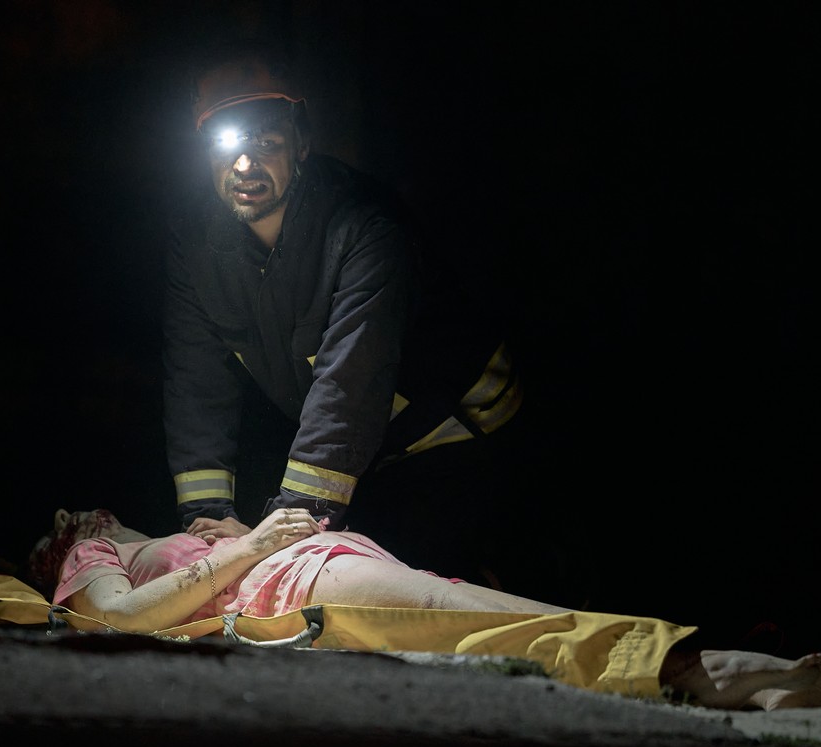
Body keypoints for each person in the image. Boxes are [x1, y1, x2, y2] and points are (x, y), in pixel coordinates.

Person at [159, 39, 552, 589]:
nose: (245, 165)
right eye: (227, 147)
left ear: (301, 145)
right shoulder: (196, 243)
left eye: (266, 142)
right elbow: (195, 376)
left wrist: (296, 515)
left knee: (420, 578)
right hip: (364, 443)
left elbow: (351, 373)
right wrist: (205, 517)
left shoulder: (364, 227)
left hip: (458, 426)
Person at [26, 506, 821, 711]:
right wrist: (244, 547)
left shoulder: (181, 529)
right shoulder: (87, 544)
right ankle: (733, 674)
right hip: (294, 584)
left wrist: (234, 535)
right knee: (518, 622)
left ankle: (724, 675)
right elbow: (118, 617)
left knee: (507, 614)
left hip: (322, 562)